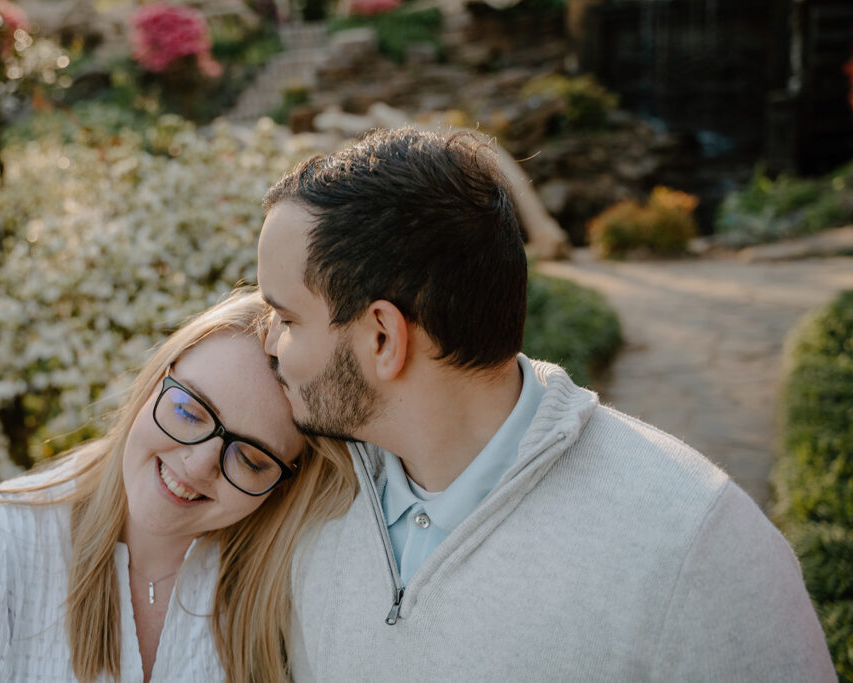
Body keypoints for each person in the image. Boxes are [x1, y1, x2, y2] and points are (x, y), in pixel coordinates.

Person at [256, 127, 837, 681]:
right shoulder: (310, 495)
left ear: (383, 338)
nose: (267, 343)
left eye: (286, 319)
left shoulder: (697, 544)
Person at [0, 289, 356, 683]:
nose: (198, 463)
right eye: (189, 412)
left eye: (252, 461)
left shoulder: (286, 591)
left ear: (284, 482)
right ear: (155, 382)